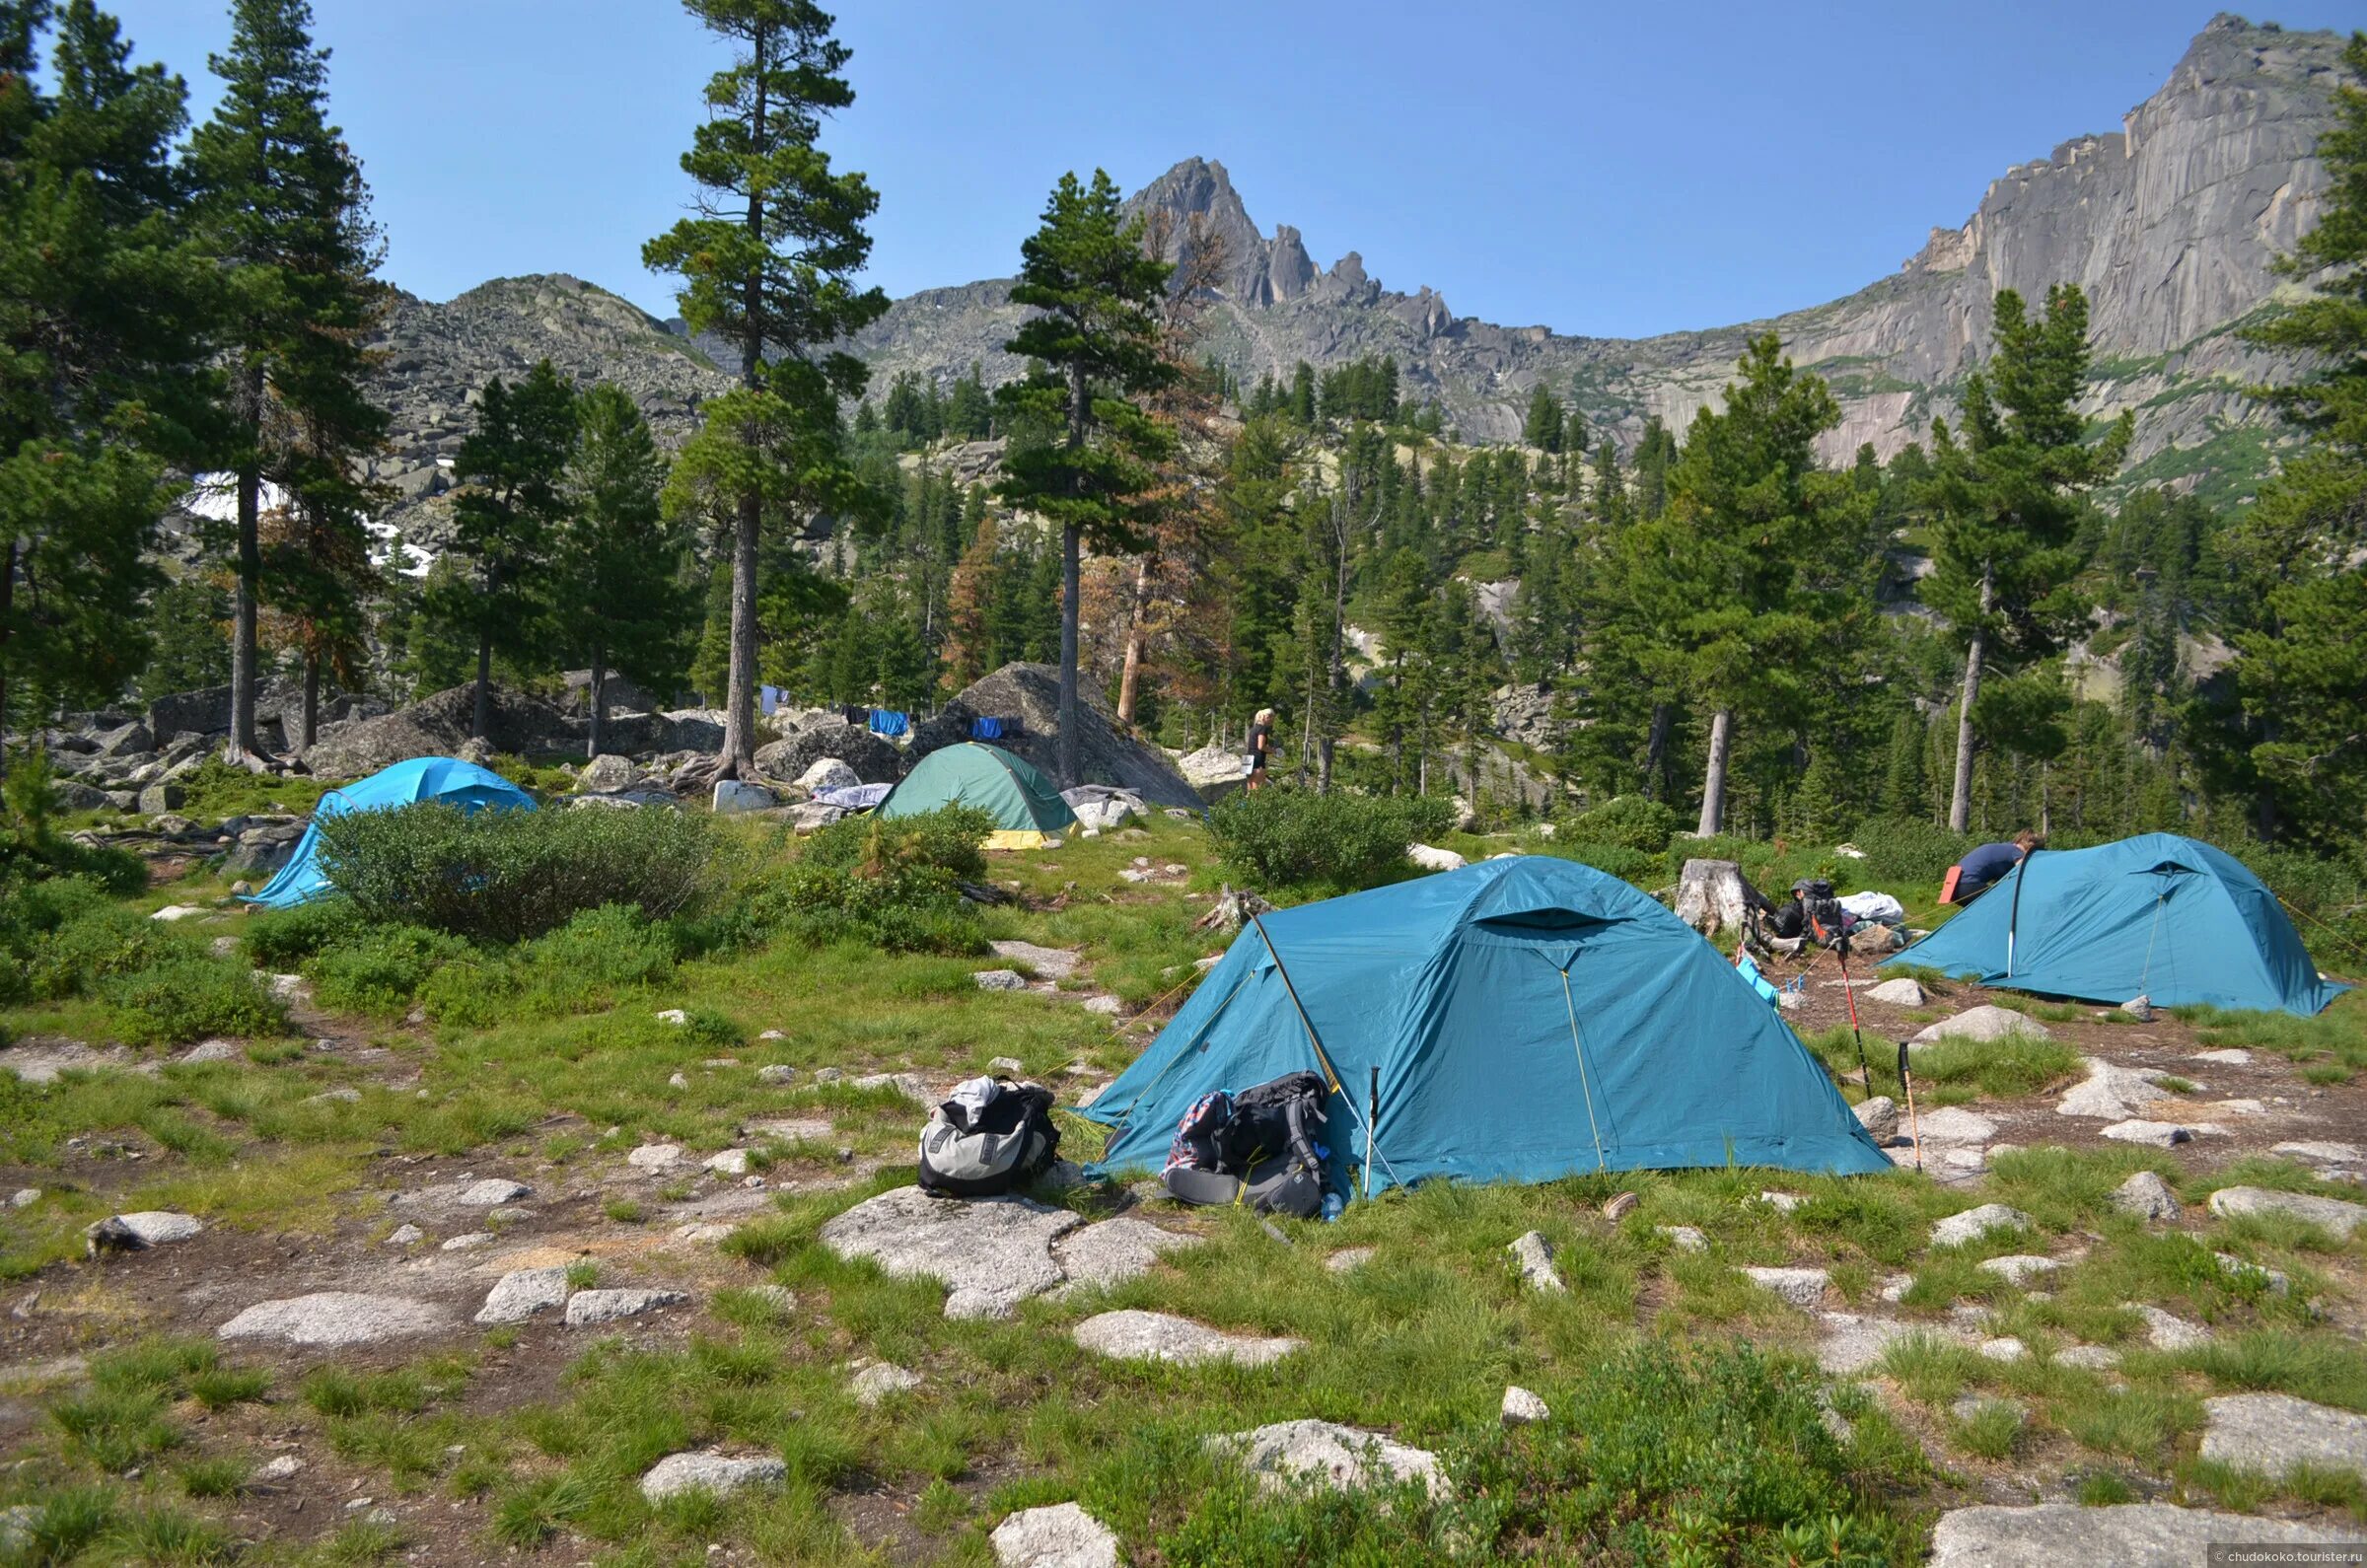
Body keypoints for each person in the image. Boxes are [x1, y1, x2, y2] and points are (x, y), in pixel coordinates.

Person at [1955, 830, 2041, 902]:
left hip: (1954, 888)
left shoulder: (2004, 848)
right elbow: (2022, 872)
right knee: (2000, 905)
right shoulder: (2016, 852)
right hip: (1970, 886)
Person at [1244, 707, 1275, 792]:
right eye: (1272, 719)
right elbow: (1261, 746)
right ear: (1267, 717)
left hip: (1247, 759)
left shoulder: (1253, 729)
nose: (1272, 721)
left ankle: (1248, 804)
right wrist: (1272, 751)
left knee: (1249, 788)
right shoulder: (1262, 729)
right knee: (1257, 789)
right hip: (1257, 760)